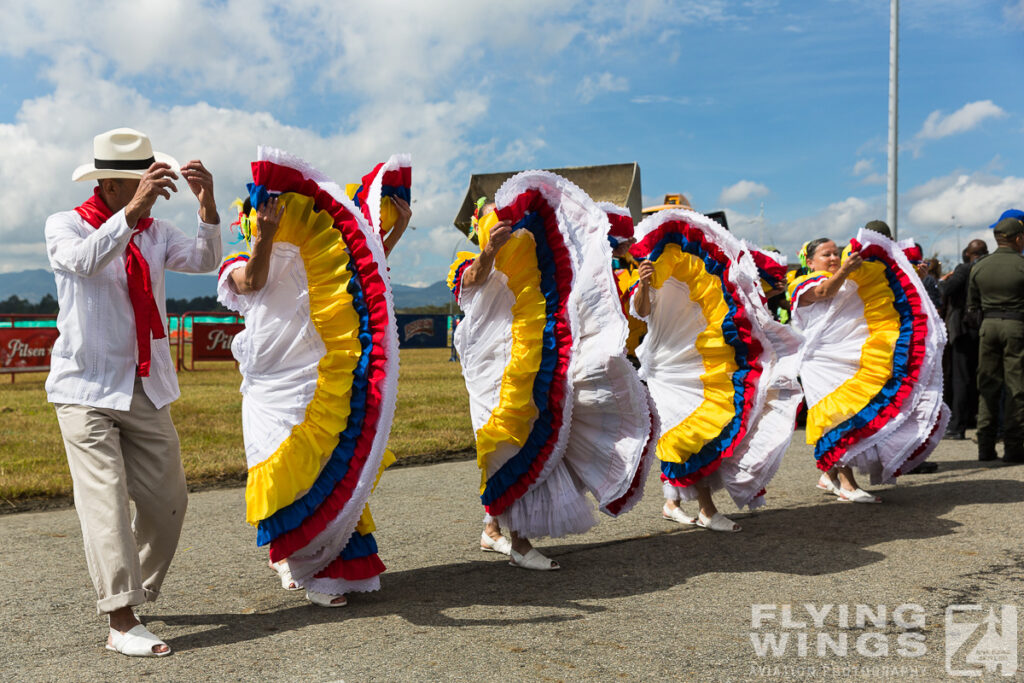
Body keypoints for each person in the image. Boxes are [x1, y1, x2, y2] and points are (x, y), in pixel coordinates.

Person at [45, 128, 221, 656]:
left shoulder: (156, 230)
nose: (153, 184)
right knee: (105, 504)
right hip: (84, 387)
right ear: (111, 183)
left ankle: (131, 590)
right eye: (143, 178)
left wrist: (208, 206)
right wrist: (131, 215)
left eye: (155, 174)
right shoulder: (65, 224)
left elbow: (204, 260)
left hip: (145, 385)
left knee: (169, 501)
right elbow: (81, 261)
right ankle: (120, 618)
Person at [218, 147, 409, 606]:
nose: (268, 216)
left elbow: (361, 270)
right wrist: (263, 237)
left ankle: (330, 560)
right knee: (285, 466)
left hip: (310, 372)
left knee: (326, 460)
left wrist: (396, 228)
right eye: (260, 213)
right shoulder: (233, 266)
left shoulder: (308, 255)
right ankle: (295, 560)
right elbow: (255, 282)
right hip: (269, 385)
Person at [450, 173, 656, 569]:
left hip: (534, 353)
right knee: (507, 439)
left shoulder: (534, 259)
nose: (501, 228)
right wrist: (490, 251)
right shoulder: (468, 263)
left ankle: (494, 529)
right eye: (492, 223)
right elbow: (471, 284)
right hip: (491, 366)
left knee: (536, 434)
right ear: (480, 229)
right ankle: (520, 544)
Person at [629, 207, 802, 532]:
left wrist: (766, 292)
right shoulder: (650, 273)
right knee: (686, 434)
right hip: (665, 369)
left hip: (693, 364)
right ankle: (706, 509)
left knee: (694, 433)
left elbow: (730, 300)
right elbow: (642, 311)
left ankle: (672, 502)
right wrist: (643, 284)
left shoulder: (702, 270)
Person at [788, 230, 948, 502]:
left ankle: (830, 475)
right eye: (826, 254)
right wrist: (846, 270)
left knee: (863, 410)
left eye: (836, 253)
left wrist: (913, 277)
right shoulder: (801, 284)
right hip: (821, 363)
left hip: (848, 358)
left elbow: (882, 292)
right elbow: (825, 291)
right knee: (835, 417)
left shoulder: (849, 281)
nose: (834, 258)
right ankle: (847, 486)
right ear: (810, 262)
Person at [967, 216, 1024, 463]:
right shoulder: (1022, 265)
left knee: (987, 387)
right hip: (1017, 327)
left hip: (987, 327)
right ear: (1018, 239)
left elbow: (972, 306)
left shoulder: (980, 266)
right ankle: (1013, 448)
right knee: (1016, 388)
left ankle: (985, 447)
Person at [939, 239, 989, 440]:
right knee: (981, 375)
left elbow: (945, 291)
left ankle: (957, 425)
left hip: (962, 329)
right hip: (983, 327)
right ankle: (976, 418)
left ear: (968, 253)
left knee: (960, 377)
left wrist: (943, 281)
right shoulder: (988, 268)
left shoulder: (962, 269)